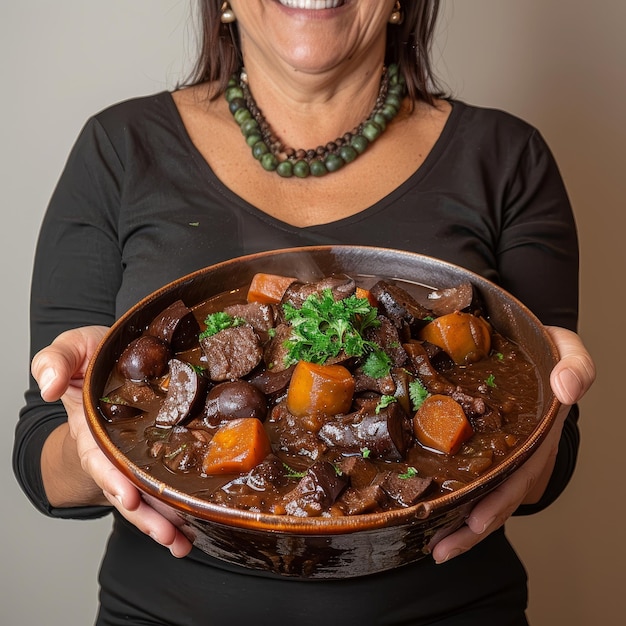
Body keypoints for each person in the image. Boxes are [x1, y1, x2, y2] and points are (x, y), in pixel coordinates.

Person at [14, 1, 595, 624]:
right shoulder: (119, 148)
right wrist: (93, 432)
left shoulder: (507, 156)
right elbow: (39, 459)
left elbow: (547, 463)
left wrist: (550, 411)